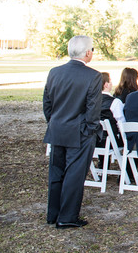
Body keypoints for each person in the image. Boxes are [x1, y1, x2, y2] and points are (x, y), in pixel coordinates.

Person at [43, 35, 103, 229]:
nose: (92, 53)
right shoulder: (93, 76)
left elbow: (47, 104)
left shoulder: (54, 72)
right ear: (87, 53)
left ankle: (53, 213)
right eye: (92, 50)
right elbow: (93, 109)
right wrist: (90, 130)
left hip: (57, 129)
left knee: (56, 172)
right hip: (80, 132)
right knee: (74, 175)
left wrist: (54, 122)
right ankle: (67, 216)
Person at [98, 72, 124, 147]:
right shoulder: (115, 102)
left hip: (92, 142)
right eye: (110, 81)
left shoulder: (90, 101)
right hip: (110, 142)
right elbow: (121, 123)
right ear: (106, 84)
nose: (111, 83)